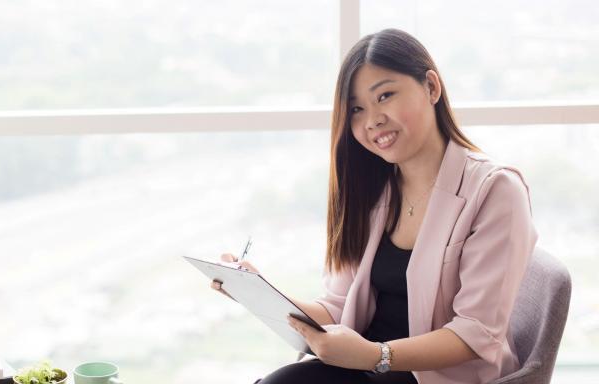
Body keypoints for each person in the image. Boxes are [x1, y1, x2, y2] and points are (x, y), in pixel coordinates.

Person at [210, 28, 538, 384]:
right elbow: (336, 308)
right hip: (365, 366)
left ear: (431, 87)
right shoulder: (374, 191)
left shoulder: (495, 191)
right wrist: (257, 292)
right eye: (356, 109)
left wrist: (375, 354)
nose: (372, 120)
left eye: (385, 96)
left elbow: (476, 333)